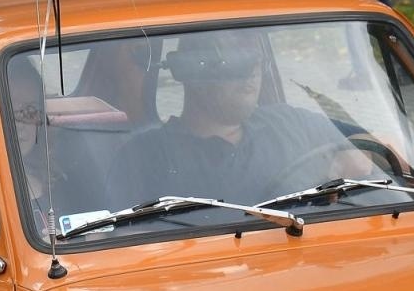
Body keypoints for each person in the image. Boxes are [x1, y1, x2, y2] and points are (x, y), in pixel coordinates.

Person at [106, 30, 377, 207]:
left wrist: (350, 159)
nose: (252, 74)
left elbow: (383, 148)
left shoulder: (288, 121)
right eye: (237, 62)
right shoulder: (144, 156)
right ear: (191, 71)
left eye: (256, 59)